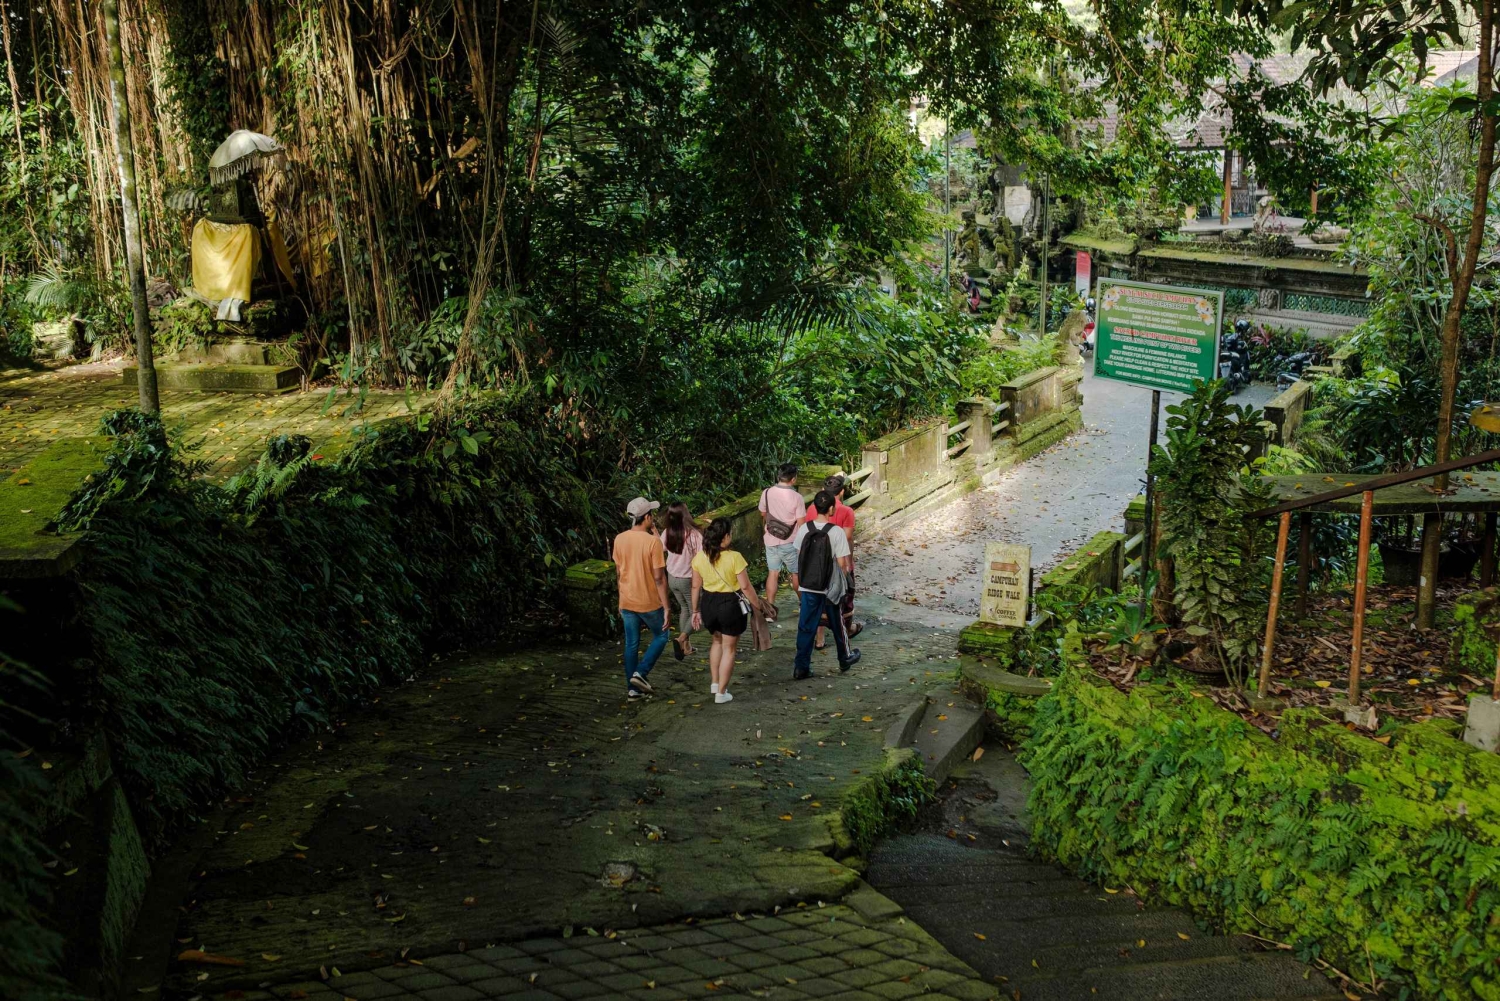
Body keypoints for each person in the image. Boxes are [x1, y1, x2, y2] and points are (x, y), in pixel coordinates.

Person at [690, 517, 770, 704]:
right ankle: (722, 693)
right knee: (729, 649)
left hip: (708, 603)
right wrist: (757, 605)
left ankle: (715, 683)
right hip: (729, 605)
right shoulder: (735, 557)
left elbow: (695, 587)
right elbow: (745, 587)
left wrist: (695, 611)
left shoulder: (700, 557)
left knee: (716, 642)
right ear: (725, 537)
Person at [792, 490, 860, 680]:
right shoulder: (836, 532)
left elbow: (799, 556)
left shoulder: (804, 529)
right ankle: (844, 658)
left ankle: (801, 667)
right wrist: (842, 585)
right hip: (830, 588)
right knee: (838, 625)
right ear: (831, 509)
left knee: (806, 627)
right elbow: (842, 565)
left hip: (808, 586)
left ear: (815, 507)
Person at [612, 497, 673, 701]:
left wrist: (620, 600)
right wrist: (667, 607)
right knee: (662, 636)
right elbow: (659, 579)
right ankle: (641, 672)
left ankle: (633, 690)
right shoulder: (652, 542)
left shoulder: (619, 539)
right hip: (648, 601)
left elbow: (619, 573)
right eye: (651, 515)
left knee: (631, 644)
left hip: (627, 600)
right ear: (647, 517)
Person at [805, 474, 860, 649]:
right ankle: (845, 630)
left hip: (817, 561)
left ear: (823, 489)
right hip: (839, 559)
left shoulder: (812, 509)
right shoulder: (846, 511)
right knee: (845, 595)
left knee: (820, 595)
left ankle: (819, 638)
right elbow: (848, 537)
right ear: (842, 492)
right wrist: (848, 562)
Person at [759, 463, 803, 611]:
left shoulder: (766, 493)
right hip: (790, 542)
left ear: (779, 476)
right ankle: (803, 605)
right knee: (796, 573)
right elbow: (802, 523)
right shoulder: (797, 497)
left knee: (773, 573)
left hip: (771, 540)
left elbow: (763, 513)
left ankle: (770, 609)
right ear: (793, 479)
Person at [661, 501, 702, 661]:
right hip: (688, 580)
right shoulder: (693, 534)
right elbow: (702, 558)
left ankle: (686, 647)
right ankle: (681, 639)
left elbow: (660, 547)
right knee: (696, 611)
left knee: (684, 608)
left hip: (672, 578)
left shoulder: (668, 532)